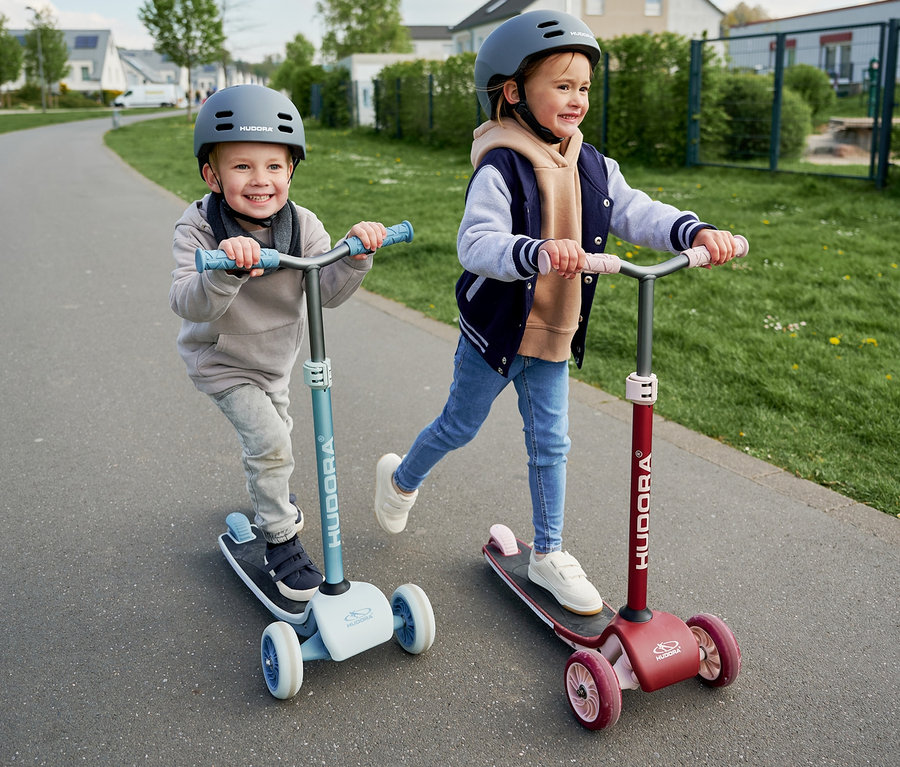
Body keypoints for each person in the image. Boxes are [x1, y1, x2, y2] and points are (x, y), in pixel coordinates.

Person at [374, 11, 737, 615]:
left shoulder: (592, 162)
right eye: (562, 86)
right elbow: (475, 244)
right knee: (458, 426)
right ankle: (401, 478)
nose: (577, 99)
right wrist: (535, 251)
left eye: (584, 88)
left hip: (552, 334)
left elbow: (635, 210)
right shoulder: (499, 164)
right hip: (495, 334)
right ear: (513, 93)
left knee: (551, 444)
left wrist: (692, 232)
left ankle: (547, 552)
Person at [170, 84, 386, 601]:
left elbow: (326, 292)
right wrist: (226, 269)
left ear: (291, 170)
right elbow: (187, 301)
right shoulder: (198, 227)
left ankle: (271, 491)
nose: (260, 180)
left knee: (277, 439)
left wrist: (355, 257)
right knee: (270, 444)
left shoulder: (303, 224)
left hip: (276, 361)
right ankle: (280, 537)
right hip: (221, 361)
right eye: (241, 167)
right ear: (212, 175)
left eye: (273, 166)